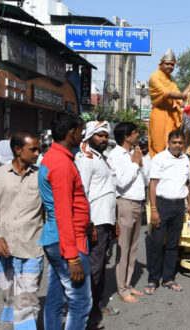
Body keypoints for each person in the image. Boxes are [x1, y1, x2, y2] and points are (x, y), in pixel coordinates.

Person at [0, 132, 44, 328]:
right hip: (5, 247)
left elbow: (49, 211)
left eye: (38, 148)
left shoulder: (41, 176)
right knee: (10, 293)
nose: (37, 153)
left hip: (33, 247)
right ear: (17, 150)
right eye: (32, 149)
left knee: (29, 295)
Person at [38, 111, 92, 330]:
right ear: (72, 132)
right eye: (81, 131)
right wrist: (72, 257)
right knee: (80, 302)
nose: (82, 135)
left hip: (60, 239)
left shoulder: (57, 158)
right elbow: (62, 212)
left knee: (55, 299)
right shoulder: (60, 163)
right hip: (66, 242)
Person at [75, 121, 117, 329]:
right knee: (94, 268)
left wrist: (114, 221)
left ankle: (96, 306)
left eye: (105, 136)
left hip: (106, 221)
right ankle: (88, 314)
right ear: (90, 136)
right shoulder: (86, 159)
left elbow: (108, 191)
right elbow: (82, 193)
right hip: (95, 222)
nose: (103, 139)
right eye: (99, 135)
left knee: (100, 266)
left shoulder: (102, 158)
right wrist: (89, 222)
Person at [145, 129, 190, 294]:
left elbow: (186, 182)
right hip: (162, 206)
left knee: (173, 245)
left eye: (180, 142)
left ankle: (168, 278)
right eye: (174, 142)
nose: (177, 145)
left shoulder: (186, 159)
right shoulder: (159, 159)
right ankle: (153, 279)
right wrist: (154, 209)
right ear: (168, 143)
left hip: (178, 206)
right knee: (156, 243)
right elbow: (153, 184)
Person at [109, 122, 147, 303]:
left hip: (138, 204)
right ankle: (122, 289)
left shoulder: (134, 153)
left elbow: (145, 179)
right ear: (126, 136)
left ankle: (127, 283)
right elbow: (121, 183)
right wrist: (134, 164)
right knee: (123, 248)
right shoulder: (115, 155)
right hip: (125, 204)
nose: (138, 135)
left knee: (133, 248)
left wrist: (140, 162)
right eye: (135, 132)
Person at [148, 48, 190, 157]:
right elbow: (167, 93)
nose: (170, 67)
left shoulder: (170, 80)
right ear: (161, 64)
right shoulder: (155, 77)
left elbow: (180, 97)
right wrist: (184, 96)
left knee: (174, 144)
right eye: (168, 64)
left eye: (172, 65)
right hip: (159, 113)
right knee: (158, 145)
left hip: (172, 115)